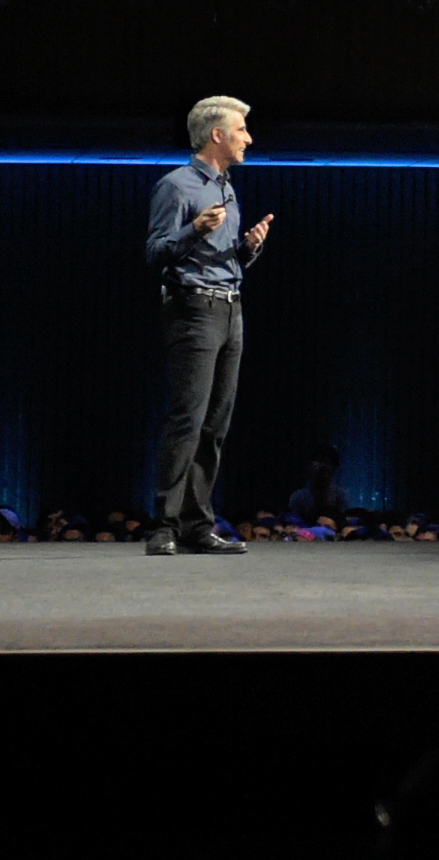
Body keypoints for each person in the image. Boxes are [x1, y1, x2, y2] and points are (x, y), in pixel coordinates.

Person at [142, 95, 272, 556]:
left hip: (231, 309)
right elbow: (155, 253)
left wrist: (248, 249)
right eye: (241, 130)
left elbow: (224, 259)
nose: (248, 139)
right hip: (193, 309)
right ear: (217, 135)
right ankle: (164, 525)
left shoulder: (227, 188)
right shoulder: (177, 186)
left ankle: (198, 525)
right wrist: (193, 229)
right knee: (188, 419)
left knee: (215, 424)